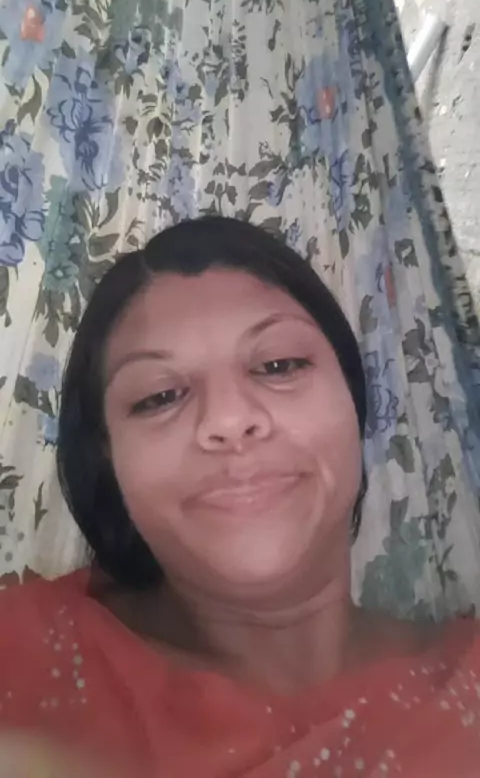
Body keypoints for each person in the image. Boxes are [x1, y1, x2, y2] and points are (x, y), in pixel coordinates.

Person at [0, 215, 479, 778]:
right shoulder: (18, 658)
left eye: (278, 366)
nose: (228, 421)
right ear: (108, 455)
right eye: (160, 396)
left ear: (352, 398)